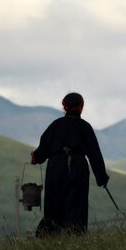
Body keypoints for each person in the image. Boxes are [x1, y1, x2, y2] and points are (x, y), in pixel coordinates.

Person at [31, 92, 110, 237]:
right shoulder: (85, 127)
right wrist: (102, 178)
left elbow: (42, 150)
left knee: (54, 202)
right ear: (81, 107)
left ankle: (50, 236)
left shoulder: (55, 125)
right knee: (76, 203)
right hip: (78, 168)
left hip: (56, 167)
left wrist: (35, 157)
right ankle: (76, 235)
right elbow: (94, 154)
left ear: (64, 106)